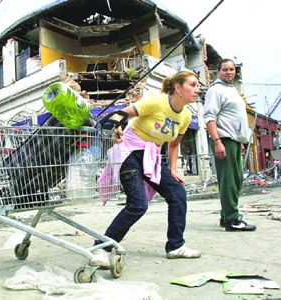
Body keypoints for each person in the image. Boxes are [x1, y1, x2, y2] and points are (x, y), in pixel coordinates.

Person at [93, 70, 202, 267]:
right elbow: (120, 114)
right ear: (178, 88)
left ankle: (175, 246)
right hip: (130, 153)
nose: (197, 89)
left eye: (197, 85)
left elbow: (174, 144)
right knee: (138, 205)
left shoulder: (185, 116)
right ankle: (101, 247)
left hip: (151, 158)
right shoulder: (157, 101)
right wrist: (117, 128)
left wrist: (174, 170)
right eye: (193, 85)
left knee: (177, 194)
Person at [203, 58, 256, 232]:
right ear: (217, 72)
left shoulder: (232, 90)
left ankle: (226, 214)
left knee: (236, 179)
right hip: (224, 140)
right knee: (229, 181)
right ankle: (232, 219)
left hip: (234, 141)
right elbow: (210, 117)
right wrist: (217, 141)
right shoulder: (215, 90)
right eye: (225, 69)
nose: (229, 72)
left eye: (232, 69)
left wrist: (240, 141)